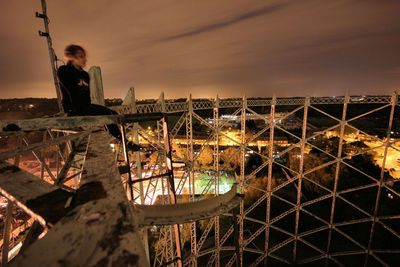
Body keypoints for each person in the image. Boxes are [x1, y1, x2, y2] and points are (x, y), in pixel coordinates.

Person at [57, 44, 139, 150]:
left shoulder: (85, 75)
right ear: (71, 57)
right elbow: (71, 93)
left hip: (85, 106)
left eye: (84, 56)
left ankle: (122, 139)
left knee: (113, 114)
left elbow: (86, 97)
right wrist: (78, 112)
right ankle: (123, 141)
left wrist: (90, 109)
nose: (85, 59)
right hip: (73, 108)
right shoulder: (64, 71)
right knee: (107, 114)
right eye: (81, 56)